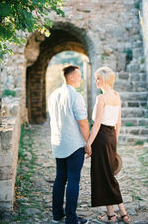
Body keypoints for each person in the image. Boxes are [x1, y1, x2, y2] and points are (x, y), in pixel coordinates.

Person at [85, 66, 130, 223]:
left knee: (104, 176)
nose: (96, 81)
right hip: (111, 137)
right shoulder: (117, 96)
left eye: (97, 78)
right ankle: (116, 214)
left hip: (101, 137)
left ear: (103, 80)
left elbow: (97, 124)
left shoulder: (101, 99)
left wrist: (88, 144)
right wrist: (114, 142)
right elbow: (119, 123)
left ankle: (117, 214)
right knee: (107, 175)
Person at [48, 65, 90, 224]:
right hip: (74, 144)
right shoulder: (75, 96)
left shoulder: (54, 95)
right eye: (78, 76)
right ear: (71, 77)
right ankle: (71, 218)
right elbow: (83, 123)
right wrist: (88, 142)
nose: (80, 79)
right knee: (73, 180)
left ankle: (57, 215)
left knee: (60, 179)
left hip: (59, 143)